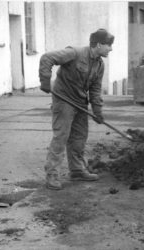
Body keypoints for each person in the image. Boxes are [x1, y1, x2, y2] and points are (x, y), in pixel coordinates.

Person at [39, 28, 114, 190]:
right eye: (109, 45)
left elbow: (95, 89)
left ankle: (77, 170)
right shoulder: (74, 53)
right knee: (61, 136)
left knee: (79, 138)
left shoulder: (99, 65)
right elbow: (47, 58)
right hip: (64, 99)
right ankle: (52, 175)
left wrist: (97, 110)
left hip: (80, 102)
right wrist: (45, 79)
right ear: (99, 44)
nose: (111, 49)